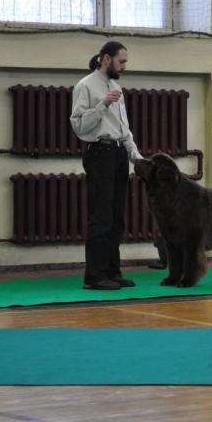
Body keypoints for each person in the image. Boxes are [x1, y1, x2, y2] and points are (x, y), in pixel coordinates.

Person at [70, 41, 144, 290]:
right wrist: (102, 105)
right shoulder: (85, 86)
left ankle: (112, 272)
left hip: (118, 153)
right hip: (99, 153)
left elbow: (124, 129)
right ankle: (94, 277)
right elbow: (79, 126)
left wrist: (137, 158)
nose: (124, 66)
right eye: (121, 61)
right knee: (100, 217)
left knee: (116, 218)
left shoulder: (115, 86)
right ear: (105, 59)